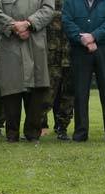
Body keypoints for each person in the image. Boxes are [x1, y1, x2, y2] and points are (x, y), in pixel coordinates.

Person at [0, 0, 54, 143]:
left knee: (37, 86)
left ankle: (33, 133)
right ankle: (12, 133)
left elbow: (48, 9)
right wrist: (13, 26)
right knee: (11, 87)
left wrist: (29, 23)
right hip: (10, 42)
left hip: (35, 41)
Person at [62, 0, 105, 142]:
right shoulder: (70, 2)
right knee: (80, 93)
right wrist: (81, 39)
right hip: (79, 50)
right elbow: (67, 21)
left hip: (104, 49)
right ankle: (80, 134)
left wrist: (94, 36)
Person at [42, 0, 74, 140]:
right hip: (51, 55)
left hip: (71, 53)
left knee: (68, 94)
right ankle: (37, 125)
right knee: (46, 92)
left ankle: (62, 128)